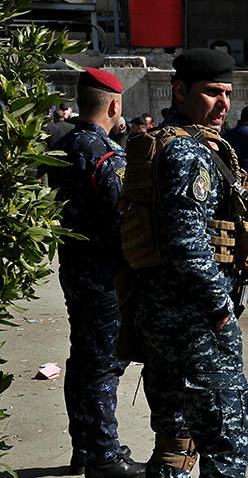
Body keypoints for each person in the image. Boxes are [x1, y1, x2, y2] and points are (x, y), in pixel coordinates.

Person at [131, 48, 248, 476]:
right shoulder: (188, 154)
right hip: (195, 322)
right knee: (225, 446)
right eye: (212, 93)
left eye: (228, 94)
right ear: (180, 91)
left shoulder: (162, 142)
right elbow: (188, 244)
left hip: (159, 316)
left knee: (175, 443)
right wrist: (220, 311)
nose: (223, 104)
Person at [46, 68, 146, 477]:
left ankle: (84, 446)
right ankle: (105, 456)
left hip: (74, 268)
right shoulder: (106, 152)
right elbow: (124, 211)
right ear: (115, 105)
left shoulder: (63, 143)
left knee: (83, 358)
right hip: (107, 275)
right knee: (104, 362)